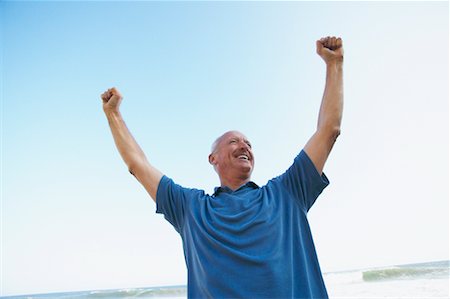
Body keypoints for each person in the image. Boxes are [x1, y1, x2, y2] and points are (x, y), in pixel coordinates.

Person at [101, 36, 343, 299]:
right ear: (212, 158)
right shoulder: (190, 208)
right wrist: (113, 115)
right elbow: (138, 165)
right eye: (233, 141)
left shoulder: (287, 192)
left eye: (248, 143)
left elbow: (328, 131)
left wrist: (335, 65)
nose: (244, 146)